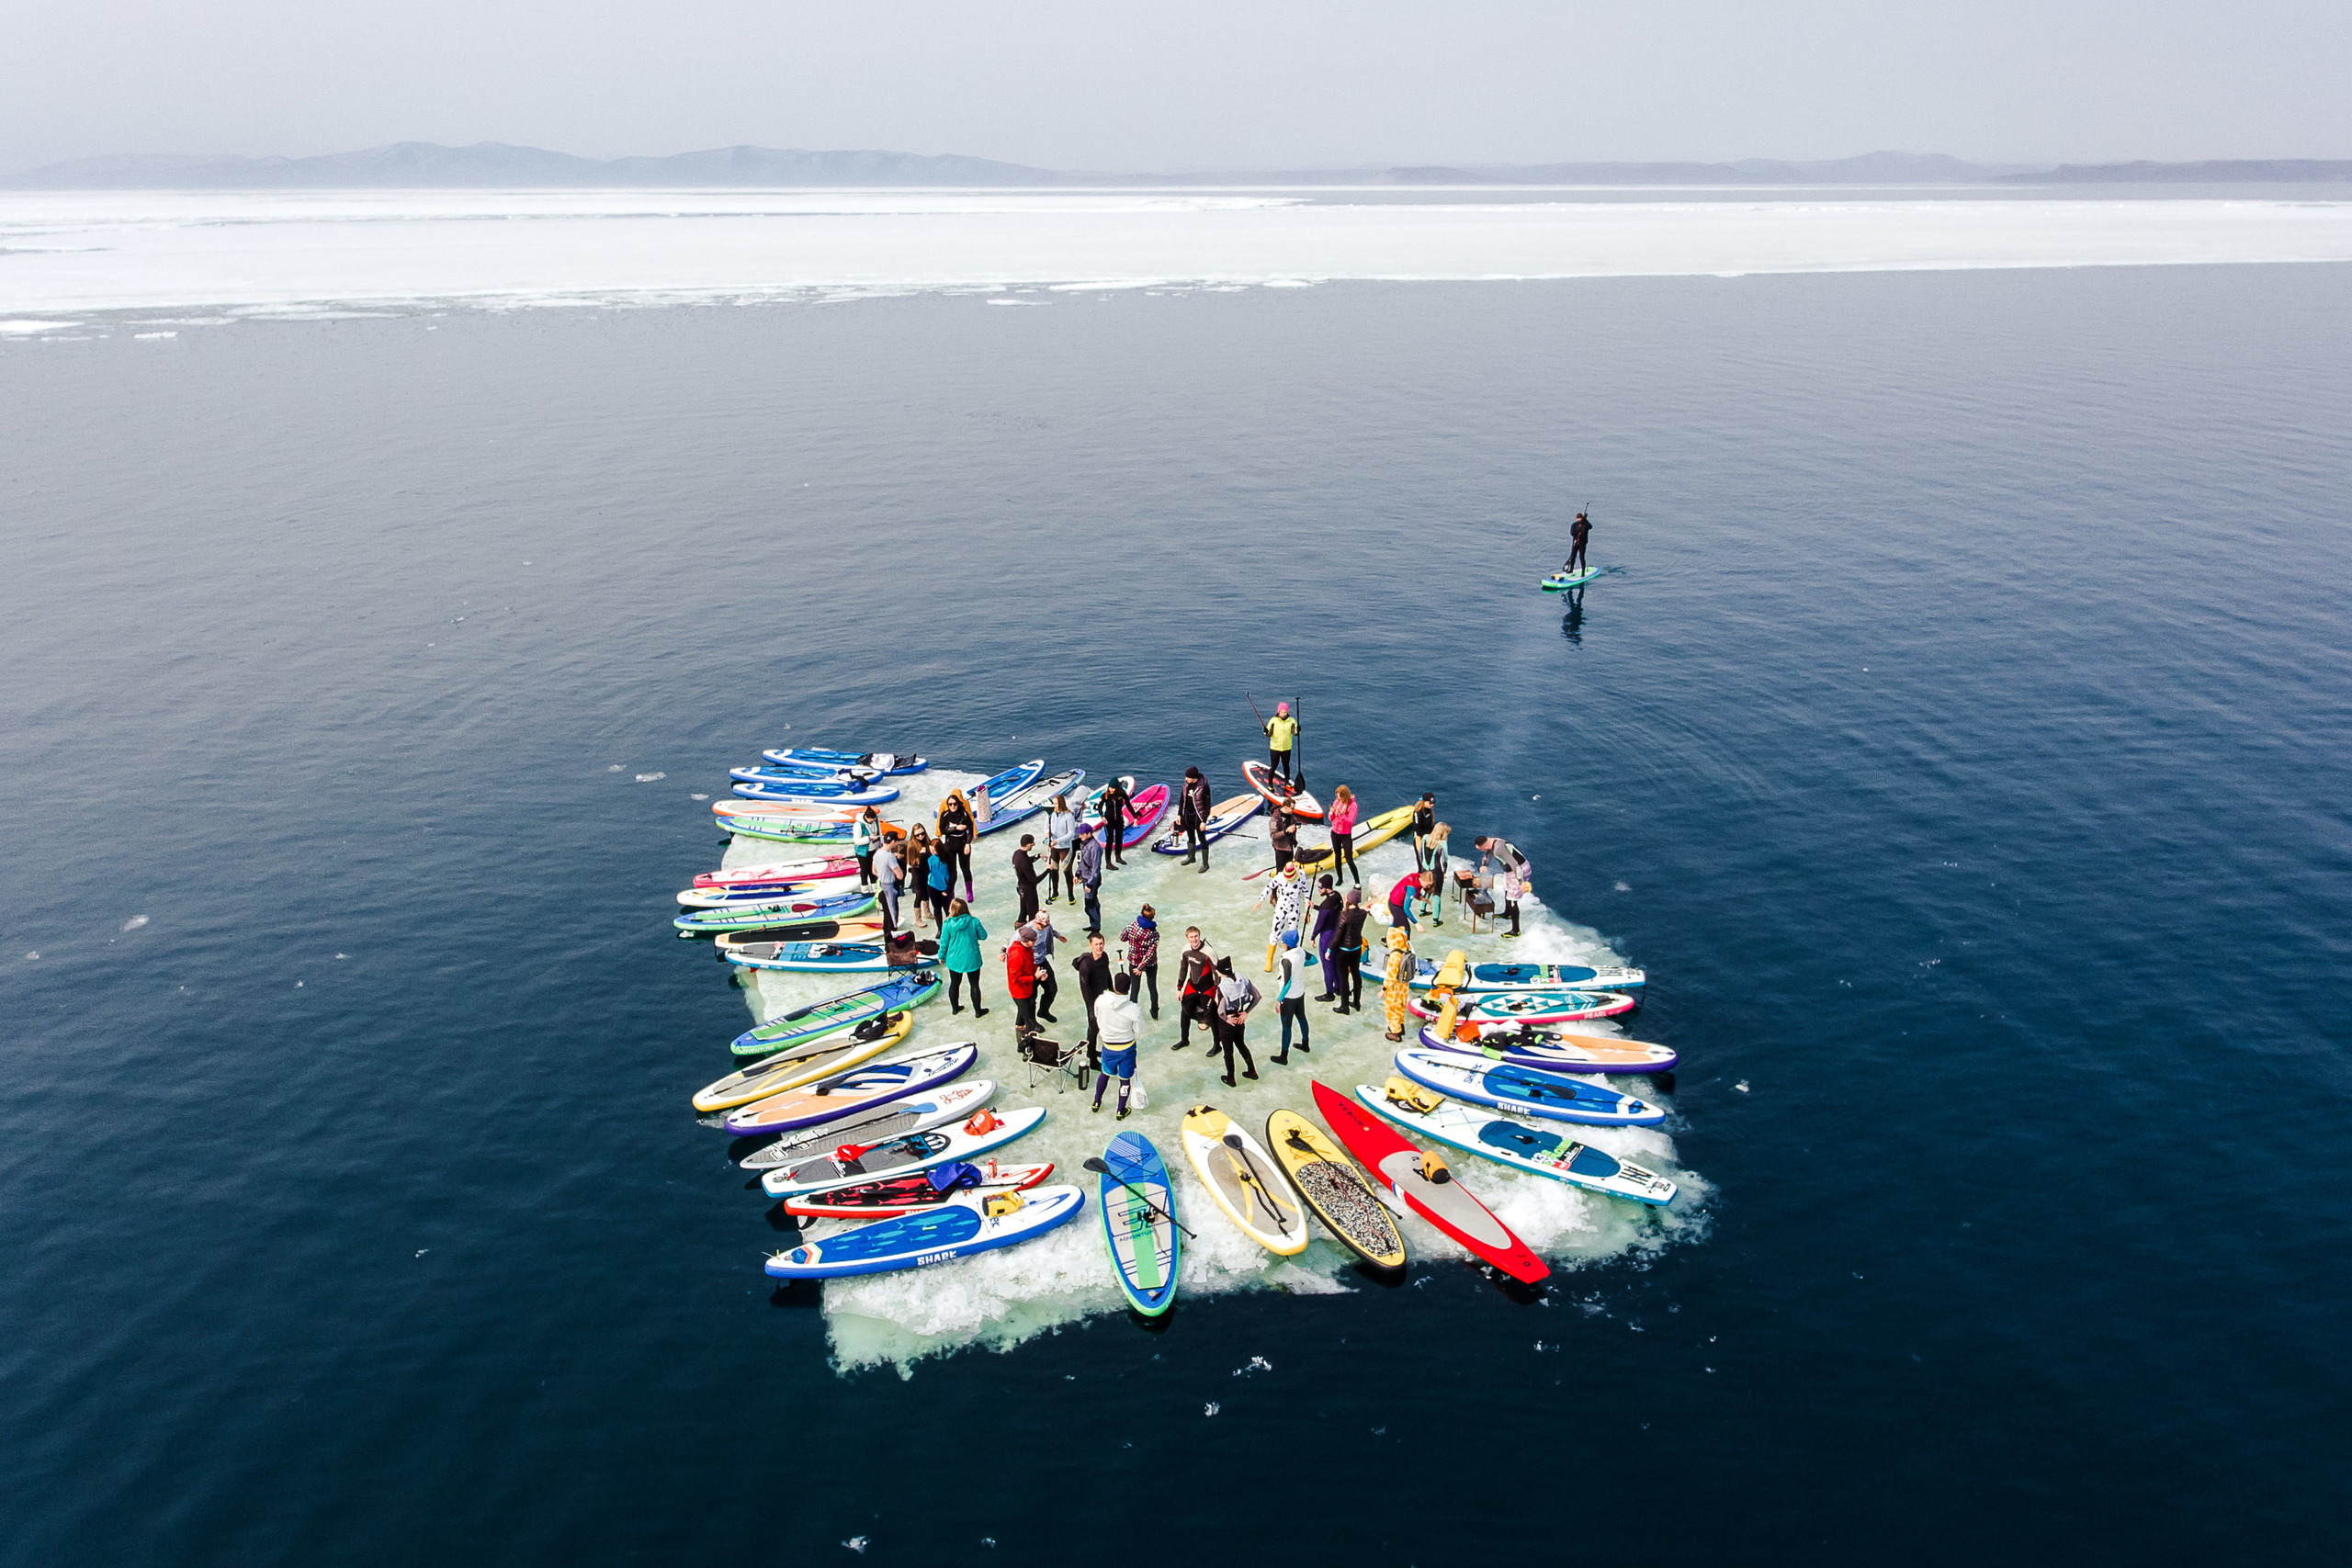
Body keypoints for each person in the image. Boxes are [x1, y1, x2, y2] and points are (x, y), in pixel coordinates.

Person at [1091, 971, 1142, 1118]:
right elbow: (1139, 1030)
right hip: (1127, 1049)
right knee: (1125, 1080)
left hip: (1108, 1046)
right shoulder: (1134, 1009)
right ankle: (1121, 1110)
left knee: (1105, 1074)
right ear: (1129, 988)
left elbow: (1096, 1015)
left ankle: (1096, 1102)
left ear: (1114, 985)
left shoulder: (1100, 1000)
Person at [1212, 956, 1261, 1087]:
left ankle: (1231, 1078)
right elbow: (1257, 996)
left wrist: (1226, 1018)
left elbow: (1220, 1010)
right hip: (1240, 1018)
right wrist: (1246, 1012)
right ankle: (1252, 1071)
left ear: (1221, 972)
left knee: (1228, 1052)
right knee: (1241, 1045)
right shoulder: (1242, 978)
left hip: (1228, 1021)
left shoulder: (1222, 986)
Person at [1254, 857, 1309, 972]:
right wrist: (1260, 900)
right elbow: (1269, 887)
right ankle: (1269, 959)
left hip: (1295, 910)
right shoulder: (1280, 876)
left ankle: (1289, 959)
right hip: (1281, 908)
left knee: (1292, 934)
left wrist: (1308, 911)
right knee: (1275, 932)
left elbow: (1307, 892)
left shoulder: (1302, 875)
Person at [1475, 835, 1533, 939]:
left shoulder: (1498, 849)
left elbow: (1516, 865)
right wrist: (1485, 865)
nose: (1482, 851)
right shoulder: (1492, 842)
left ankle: (1516, 931)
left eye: (1481, 849)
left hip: (1519, 870)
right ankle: (1507, 914)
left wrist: (1521, 882)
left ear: (1484, 845)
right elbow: (1488, 853)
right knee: (1506, 889)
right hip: (1510, 871)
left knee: (1512, 899)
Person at [938, 898, 989, 1016]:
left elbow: (943, 942)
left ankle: (955, 1008)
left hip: (954, 959)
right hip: (972, 958)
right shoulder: (974, 921)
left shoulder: (947, 924)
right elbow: (983, 935)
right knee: (974, 984)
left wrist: (941, 956)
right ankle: (978, 1011)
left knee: (954, 984)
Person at [1073, 930, 1114, 1070]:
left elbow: (1107, 974)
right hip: (1093, 1000)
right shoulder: (1086, 964)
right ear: (1090, 946)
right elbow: (1084, 988)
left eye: (1101, 944)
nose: (1099, 947)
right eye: (1096, 944)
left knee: (1102, 1026)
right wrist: (1091, 1007)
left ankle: (1092, 1050)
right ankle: (1091, 1057)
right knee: (1093, 1028)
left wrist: (1113, 991)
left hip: (1104, 997)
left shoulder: (1104, 957)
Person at [1271, 929, 1311, 1065]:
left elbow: (1287, 984)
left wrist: (1279, 1000)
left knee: (1286, 1027)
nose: (1282, 942)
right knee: (1302, 1018)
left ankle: (1283, 1057)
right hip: (1300, 993)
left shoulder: (1286, 960)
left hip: (1289, 998)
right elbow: (1314, 960)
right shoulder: (1301, 951)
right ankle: (1305, 1044)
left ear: (1286, 944)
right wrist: (1300, 965)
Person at [1173, 927, 1216, 1050]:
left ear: (1199, 936)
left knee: (1212, 1016)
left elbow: (1217, 974)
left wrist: (1217, 992)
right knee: (1185, 1012)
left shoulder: (1209, 951)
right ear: (1187, 938)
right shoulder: (1186, 950)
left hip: (1207, 987)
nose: (1194, 939)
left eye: (1196, 936)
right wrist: (1179, 988)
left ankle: (1217, 1045)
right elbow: (1183, 969)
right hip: (1192, 985)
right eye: (1191, 937)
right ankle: (1184, 1040)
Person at [1121, 904, 1162, 1019]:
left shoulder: (1131, 926)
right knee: (1152, 987)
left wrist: (1139, 967)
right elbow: (1150, 953)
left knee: (1135, 988)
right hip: (1150, 963)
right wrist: (1142, 967)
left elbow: (1123, 938)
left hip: (1134, 961)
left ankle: (1132, 1014)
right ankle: (1155, 1012)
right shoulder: (1154, 934)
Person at [1331, 887, 1369, 1013]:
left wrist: (1330, 949)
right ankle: (1357, 1002)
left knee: (1343, 977)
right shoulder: (1362, 913)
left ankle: (1344, 1006)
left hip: (1344, 950)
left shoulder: (1344, 916)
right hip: (1357, 948)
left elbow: (1337, 936)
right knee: (1356, 973)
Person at [935, 789, 977, 902]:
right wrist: (955, 828)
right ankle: (951, 893)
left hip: (963, 845)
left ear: (958, 804)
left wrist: (968, 843)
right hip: (950, 847)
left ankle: (969, 892)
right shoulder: (945, 815)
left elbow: (970, 829)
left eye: (954, 804)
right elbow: (942, 829)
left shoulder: (964, 814)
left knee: (966, 869)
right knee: (952, 872)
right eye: (950, 804)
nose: (952, 806)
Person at [1309, 874, 1342, 999]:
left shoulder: (1326, 904)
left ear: (1327, 888)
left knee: (1327, 965)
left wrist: (1313, 937)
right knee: (1335, 963)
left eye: (1320, 887)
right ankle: (1338, 988)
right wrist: (1315, 907)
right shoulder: (1337, 896)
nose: (1318, 889)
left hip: (1327, 935)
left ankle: (1329, 993)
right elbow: (1329, 911)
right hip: (1337, 932)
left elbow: (1320, 923)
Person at [1028, 911, 1063, 1023]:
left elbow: (1050, 930)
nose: (1044, 928)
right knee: (1031, 996)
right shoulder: (1027, 930)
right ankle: (1032, 1021)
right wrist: (1003, 952)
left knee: (1052, 989)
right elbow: (1012, 941)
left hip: (1042, 961)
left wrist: (1058, 935)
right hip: (1030, 964)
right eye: (1041, 927)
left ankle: (1043, 1011)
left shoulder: (1047, 926)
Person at [1381, 925, 1414, 1043]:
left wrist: (1383, 989)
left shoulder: (1395, 955)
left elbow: (1391, 975)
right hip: (1404, 985)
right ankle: (1400, 1026)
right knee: (1400, 1007)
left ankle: (1395, 1032)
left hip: (1394, 987)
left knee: (1392, 1008)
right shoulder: (1406, 948)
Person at [1046, 795, 1081, 905]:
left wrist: (1058, 841)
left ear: (1061, 803)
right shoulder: (1051, 815)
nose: (1054, 806)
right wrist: (1048, 834)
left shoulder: (1068, 816)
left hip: (1065, 848)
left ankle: (1070, 894)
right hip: (1054, 848)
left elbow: (1071, 834)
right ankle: (1055, 892)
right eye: (1053, 804)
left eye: (1056, 804)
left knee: (1067, 871)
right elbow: (1046, 828)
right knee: (1053, 870)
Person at [1006, 921, 1039, 1037]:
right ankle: (1025, 1046)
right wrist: (1034, 977)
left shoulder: (1028, 949)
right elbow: (1016, 978)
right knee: (1029, 1022)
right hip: (1019, 992)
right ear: (1026, 941)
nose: (1035, 942)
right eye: (1033, 940)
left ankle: (1019, 1026)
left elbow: (1031, 963)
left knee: (1023, 1013)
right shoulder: (1017, 954)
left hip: (1027, 988)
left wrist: (1038, 972)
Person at [1418, 822, 1452, 928]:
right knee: (1436, 893)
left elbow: (1420, 855)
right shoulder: (1442, 844)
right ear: (1442, 833)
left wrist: (1422, 870)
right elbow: (1444, 860)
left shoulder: (1424, 838)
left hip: (1424, 869)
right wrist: (1444, 871)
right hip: (1436, 871)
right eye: (1446, 833)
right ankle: (1436, 920)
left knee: (1426, 889)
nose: (1446, 836)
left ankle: (1422, 910)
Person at [1326, 784, 1362, 886]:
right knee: (1337, 856)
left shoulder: (1353, 806)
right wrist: (1332, 813)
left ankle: (1357, 881)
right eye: (1337, 797)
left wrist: (1341, 815)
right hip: (1335, 832)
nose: (1338, 799)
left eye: (1340, 797)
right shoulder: (1337, 802)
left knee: (1349, 859)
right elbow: (1331, 818)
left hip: (1345, 834)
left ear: (1344, 796)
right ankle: (1340, 878)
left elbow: (1350, 821)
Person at [1177, 766, 1212, 870]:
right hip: (1188, 814)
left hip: (1198, 816)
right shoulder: (1186, 785)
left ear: (1193, 778)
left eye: (1187, 777)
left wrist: (1204, 821)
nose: (1185, 779)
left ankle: (1205, 864)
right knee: (1190, 836)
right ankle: (1191, 857)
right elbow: (1182, 800)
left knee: (1202, 839)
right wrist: (1179, 814)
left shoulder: (1204, 786)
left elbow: (1207, 805)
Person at [1074, 824, 1106, 933]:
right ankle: (1094, 925)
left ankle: (1096, 928)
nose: (1080, 836)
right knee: (1093, 902)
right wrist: (1077, 874)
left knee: (1089, 905)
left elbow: (1095, 869)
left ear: (1089, 834)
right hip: (1085, 878)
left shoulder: (1095, 847)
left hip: (1092, 880)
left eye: (1082, 834)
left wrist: (1090, 884)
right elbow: (1082, 861)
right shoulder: (1084, 843)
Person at [872, 835, 903, 937]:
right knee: (893, 917)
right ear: (893, 842)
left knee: (886, 916)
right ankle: (893, 941)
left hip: (881, 886)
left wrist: (883, 874)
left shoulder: (877, 854)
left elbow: (874, 871)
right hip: (890, 888)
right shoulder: (890, 856)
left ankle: (887, 938)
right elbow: (900, 875)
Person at [1099, 777, 1132, 869]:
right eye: (1110, 788)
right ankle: (1108, 862)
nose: (1111, 790)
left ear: (1117, 788)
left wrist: (1135, 817)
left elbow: (1129, 805)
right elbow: (1099, 808)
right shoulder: (1105, 795)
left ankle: (1118, 857)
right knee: (1109, 841)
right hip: (1108, 821)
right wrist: (1102, 816)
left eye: (1113, 788)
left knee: (1119, 839)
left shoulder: (1122, 794)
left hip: (1119, 820)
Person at [1386, 868, 1430, 935]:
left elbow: (1415, 887)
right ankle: (1403, 944)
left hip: (1393, 900)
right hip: (1395, 905)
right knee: (1406, 929)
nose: (1428, 887)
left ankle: (1386, 939)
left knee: (1398, 921)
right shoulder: (1412, 888)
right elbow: (1406, 909)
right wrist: (1416, 923)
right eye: (1427, 885)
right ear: (1423, 879)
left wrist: (1419, 896)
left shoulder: (1417, 877)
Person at [1012, 832, 1042, 923]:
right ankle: (1031, 935)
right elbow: (1034, 880)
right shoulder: (1024, 860)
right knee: (1033, 915)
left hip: (1021, 887)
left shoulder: (1017, 854)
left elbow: (1027, 861)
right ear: (1028, 845)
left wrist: (1038, 856)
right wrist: (1048, 870)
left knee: (1023, 913)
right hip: (1029, 891)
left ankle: (1018, 932)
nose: (1032, 846)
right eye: (1032, 844)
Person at [1264, 701, 1298, 783]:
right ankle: (1270, 784)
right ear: (1278, 712)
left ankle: (1287, 781)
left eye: (1285, 712)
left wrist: (1298, 730)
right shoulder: (1273, 721)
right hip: (1275, 748)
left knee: (1286, 765)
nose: (1284, 714)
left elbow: (1295, 733)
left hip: (1287, 747)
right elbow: (1268, 734)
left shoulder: (1292, 721)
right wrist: (1266, 731)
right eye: (1282, 712)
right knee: (1274, 766)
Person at [852, 807, 880, 888]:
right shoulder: (858, 825)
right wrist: (869, 838)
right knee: (864, 870)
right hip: (862, 852)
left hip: (873, 849)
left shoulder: (875, 821)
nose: (872, 822)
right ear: (866, 817)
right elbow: (857, 841)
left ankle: (875, 887)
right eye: (871, 820)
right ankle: (865, 888)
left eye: (874, 820)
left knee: (873, 869)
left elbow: (879, 833)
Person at [1268, 805, 1298, 874]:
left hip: (1290, 846)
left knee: (1290, 869)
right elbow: (1273, 835)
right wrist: (1286, 831)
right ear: (1286, 807)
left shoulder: (1291, 816)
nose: (1293, 810)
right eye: (1292, 808)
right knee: (1280, 872)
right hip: (1280, 849)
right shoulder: (1274, 819)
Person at [1566, 509, 1591, 574]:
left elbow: (1590, 527)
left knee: (1581, 557)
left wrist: (1585, 520)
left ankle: (1583, 572)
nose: (1578, 519)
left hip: (1582, 543)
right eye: (1577, 518)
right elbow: (1572, 533)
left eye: (1580, 518)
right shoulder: (1574, 525)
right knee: (1573, 556)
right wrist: (1578, 530)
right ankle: (1571, 570)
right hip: (1575, 543)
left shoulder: (1585, 524)